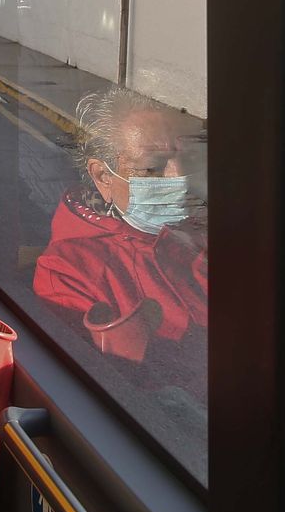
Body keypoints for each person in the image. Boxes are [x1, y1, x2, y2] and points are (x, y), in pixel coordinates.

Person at [32, 88, 206, 391]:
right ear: (103, 177)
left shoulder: (198, 232)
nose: (179, 177)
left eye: (186, 161)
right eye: (153, 166)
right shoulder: (67, 272)